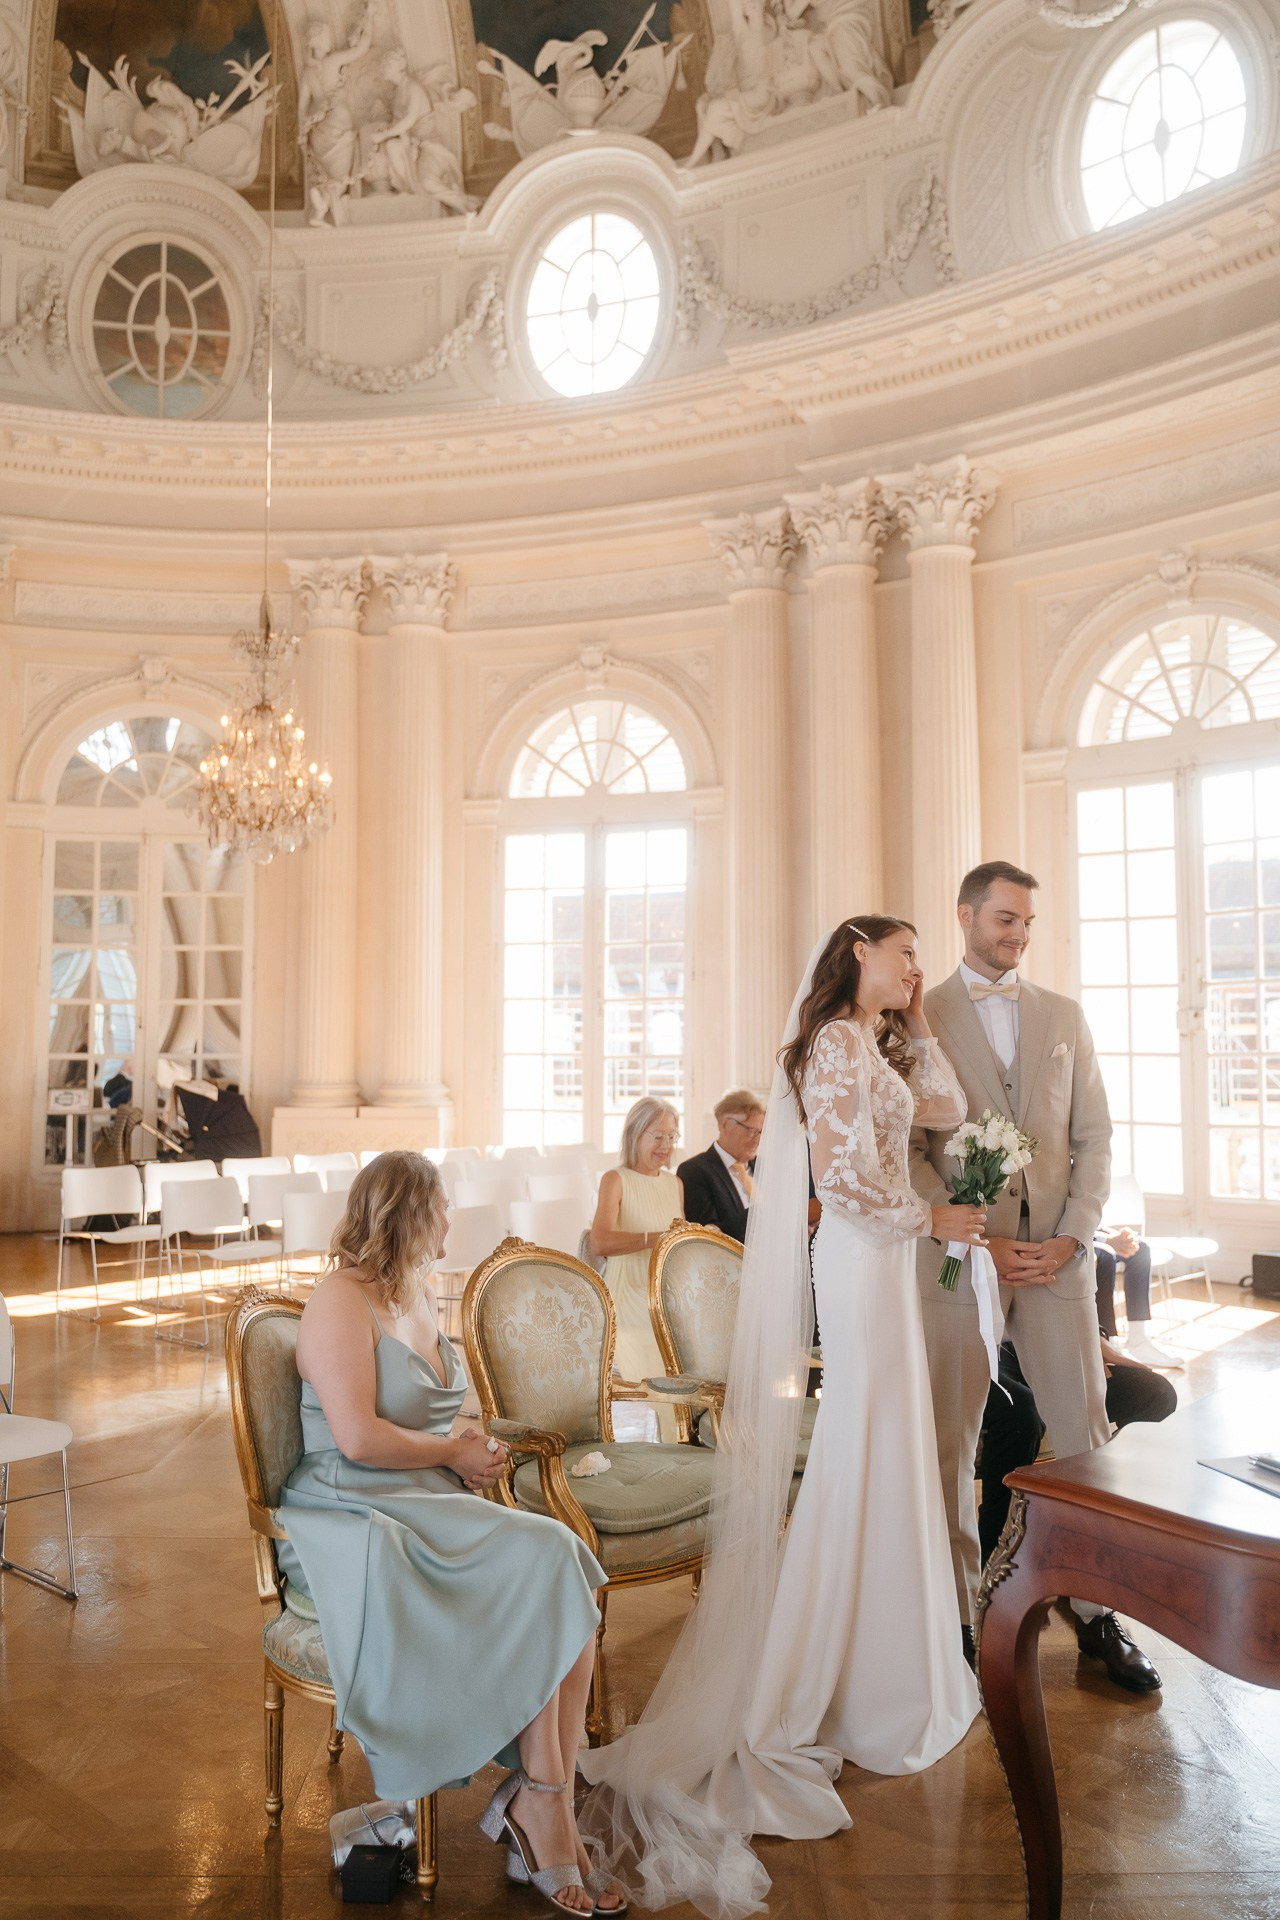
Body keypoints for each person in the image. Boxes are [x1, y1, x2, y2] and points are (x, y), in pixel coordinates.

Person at [579, 918, 987, 1916]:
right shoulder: (832, 1044)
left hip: (883, 1262)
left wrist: (922, 1012)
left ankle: (882, 1657)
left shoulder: (871, 1038)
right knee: (863, 1441)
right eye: (902, 954)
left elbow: (947, 1105)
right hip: (863, 1257)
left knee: (881, 1446)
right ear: (855, 955)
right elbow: (845, 1188)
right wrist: (929, 1219)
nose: (913, 965)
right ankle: (836, 1675)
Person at [277, 1151, 623, 1916]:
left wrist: (474, 1450)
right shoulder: (341, 1300)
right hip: (353, 1510)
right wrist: (452, 1454)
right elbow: (360, 1439)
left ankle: (545, 1798)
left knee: (567, 1566)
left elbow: (436, 1416)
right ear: (408, 1212)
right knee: (549, 1560)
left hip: (423, 1494)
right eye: (440, 1207)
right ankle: (541, 1815)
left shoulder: (417, 1296)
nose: (447, 1221)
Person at [909, 860, 1162, 1695]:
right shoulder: (919, 1018)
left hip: (1055, 1264)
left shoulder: (1064, 1016)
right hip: (960, 1264)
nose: (1016, 936)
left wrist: (1073, 1238)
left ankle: (1096, 1615)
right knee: (953, 1444)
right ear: (965, 916)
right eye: (1003, 920)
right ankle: (956, 1621)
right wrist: (972, 1236)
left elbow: (1096, 1138)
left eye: (1026, 924)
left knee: (1086, 1439)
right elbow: (907, 1151)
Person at [978, 1335, 1178, 1566]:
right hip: (980, 1347)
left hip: (1046, 1338)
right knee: (1020, 1413)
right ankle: (993, 1549)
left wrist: (1095, 1337)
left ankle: (1109, 1522)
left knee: (1155, 1393)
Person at [589, 1099, 684, 1436]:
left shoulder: (674, 1183)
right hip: (627, 1291)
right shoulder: (616, 1179)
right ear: (634, 1134)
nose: (666, 1146)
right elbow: (598, 1243)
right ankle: (665, 1437)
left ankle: (683, 1438)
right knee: (651, 1340)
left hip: (664, 1292)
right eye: (657, 1136)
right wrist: (653, 1238)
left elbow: (676, 1246)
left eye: (672, 1137)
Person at [678, 1089, 765, 1242]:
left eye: (760, 1132)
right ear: (725, 1125)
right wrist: (769, 1215)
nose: (756, 1139)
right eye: (751, 1131)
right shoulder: (694, 1171)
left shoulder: (764, 1167)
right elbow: (706, 1233)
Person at [1095, 1227, 1183, 1369]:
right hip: (1068, 1240)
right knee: (1106, 1254)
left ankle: (1137, 1339)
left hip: (1093, 1232)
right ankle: (1108, 1343)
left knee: (1140, 1249)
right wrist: (1106, 1240)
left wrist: (1119, 1237)